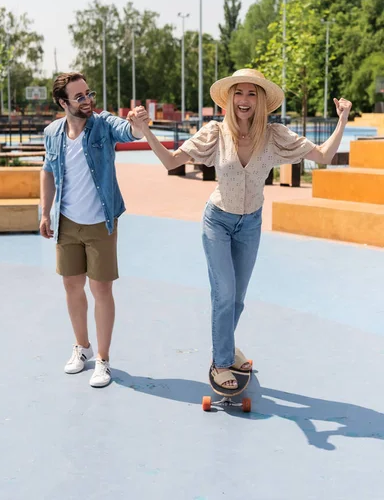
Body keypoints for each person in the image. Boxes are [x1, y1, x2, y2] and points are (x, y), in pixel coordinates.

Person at [129, 68, 352, 390]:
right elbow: (170, 161)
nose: (244, 99)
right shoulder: (215, 132)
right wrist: (145, 132)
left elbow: (324, 156)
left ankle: (227, 347)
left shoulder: (274, 135)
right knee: (225, 294)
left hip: (251, 223)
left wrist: (342, 118)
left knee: (238, 299)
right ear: (230, 99)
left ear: (260, 100)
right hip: (217, 220)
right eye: (239, 93)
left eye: (251, 93)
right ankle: (221, 362)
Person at [40, 72, 144, 388]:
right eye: (80, 96)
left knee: (101, 290)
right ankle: (81, 347)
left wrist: (138, 122)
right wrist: (45, 212)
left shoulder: (104, 124)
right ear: (63, 102)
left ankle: (103, 359)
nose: (88, 100)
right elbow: (47, 171)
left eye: (89, 93)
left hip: (101, 222)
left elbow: (131, 132)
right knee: (72, 286)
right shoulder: (52, 133)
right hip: (66, 223)